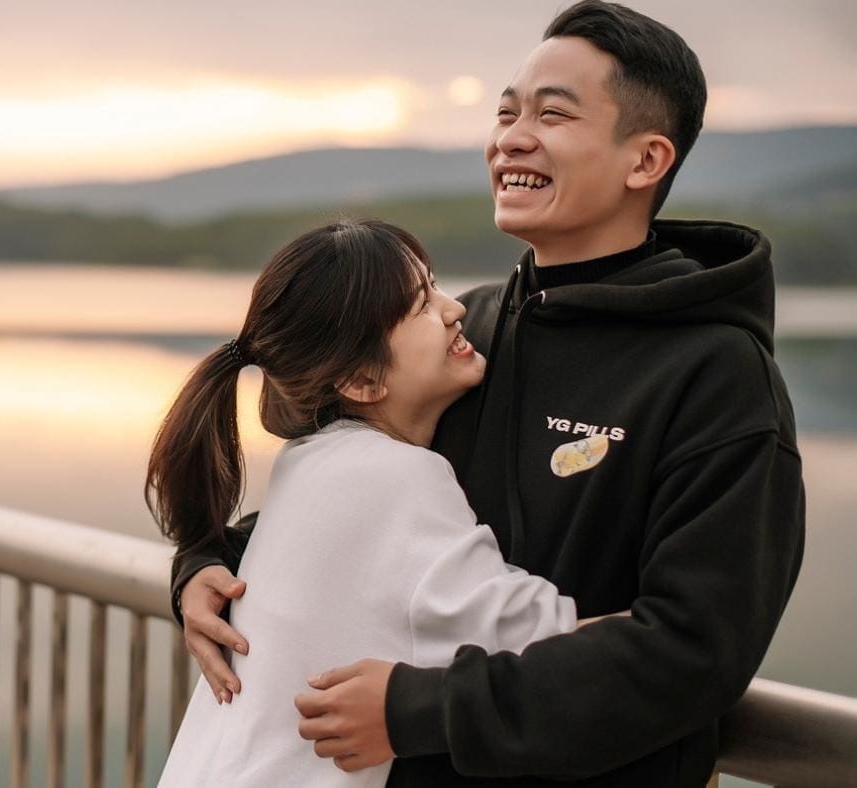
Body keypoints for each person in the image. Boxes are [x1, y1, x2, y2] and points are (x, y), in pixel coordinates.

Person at [171, 2, 806, 786]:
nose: (511, 137)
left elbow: (696, 648)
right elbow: (350, 504)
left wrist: (421, 709)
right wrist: (203, 567)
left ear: (645, 161)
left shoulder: (718, 378)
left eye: (552, 114)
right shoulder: (467, 333)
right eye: (506, 111)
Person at [149, 219, 600, 787]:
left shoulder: (311, 461)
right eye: (420, 305)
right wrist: (679, 632)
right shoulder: (396, 477)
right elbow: (546, 637)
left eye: (434, 284)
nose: (453, 309)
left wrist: (193, 563)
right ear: (362, 381)